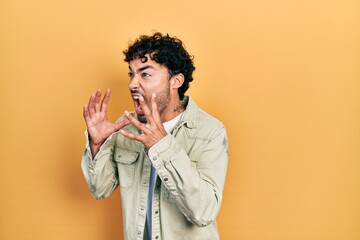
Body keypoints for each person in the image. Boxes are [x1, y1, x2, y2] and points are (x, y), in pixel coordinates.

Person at [81, 32, 228, 240]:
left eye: (145, 74)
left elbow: (204, 212)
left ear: (175, 81)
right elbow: (100, 189)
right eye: (131, 74)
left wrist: (162, 145)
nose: (133, 84)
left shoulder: (210, 131)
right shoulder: (127, 129)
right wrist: (98, 144)